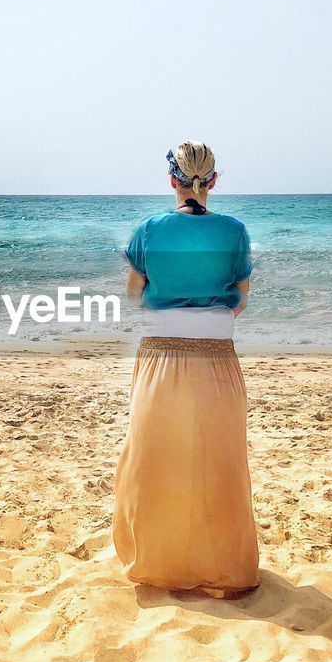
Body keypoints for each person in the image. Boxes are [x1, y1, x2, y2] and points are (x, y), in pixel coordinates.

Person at [113, 140, 260, 598]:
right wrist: (208, 318)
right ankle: (223, 568)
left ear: (172, 180)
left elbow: (134, 292)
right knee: (218, 459)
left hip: (160, 355)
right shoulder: (234, 231)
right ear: (214, 181)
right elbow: (241, 296)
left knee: (156, 458)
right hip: (217, 356)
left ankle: (161, 564)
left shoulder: (148, 230)